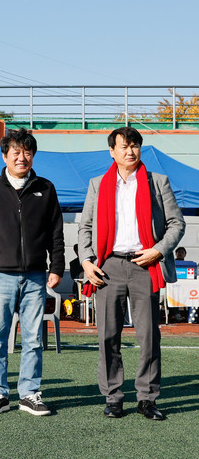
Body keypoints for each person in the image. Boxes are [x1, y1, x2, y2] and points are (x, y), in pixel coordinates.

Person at [79, 126, 185, 421]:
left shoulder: (157, 182)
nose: (130, 151)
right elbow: (85, 226)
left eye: (135, 145)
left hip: (145, 264)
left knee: (149, 336)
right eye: (124, 146)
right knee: (108, 336)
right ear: (112, 151)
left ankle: (147, 399)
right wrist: (86, 261)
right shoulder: (98, 184)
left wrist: (158, 251)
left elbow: (177, 224)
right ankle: (113, 398)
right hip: (108, 266)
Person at [0, 128, 64, 417]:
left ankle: (29, 393)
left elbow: (56, 233)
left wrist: (56, 266)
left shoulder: (45, 188)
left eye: (27, 152)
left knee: (33, 339)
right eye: (16, 152)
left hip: (35, 276)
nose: (22, 157)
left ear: (33, 156)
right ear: (5, 156)